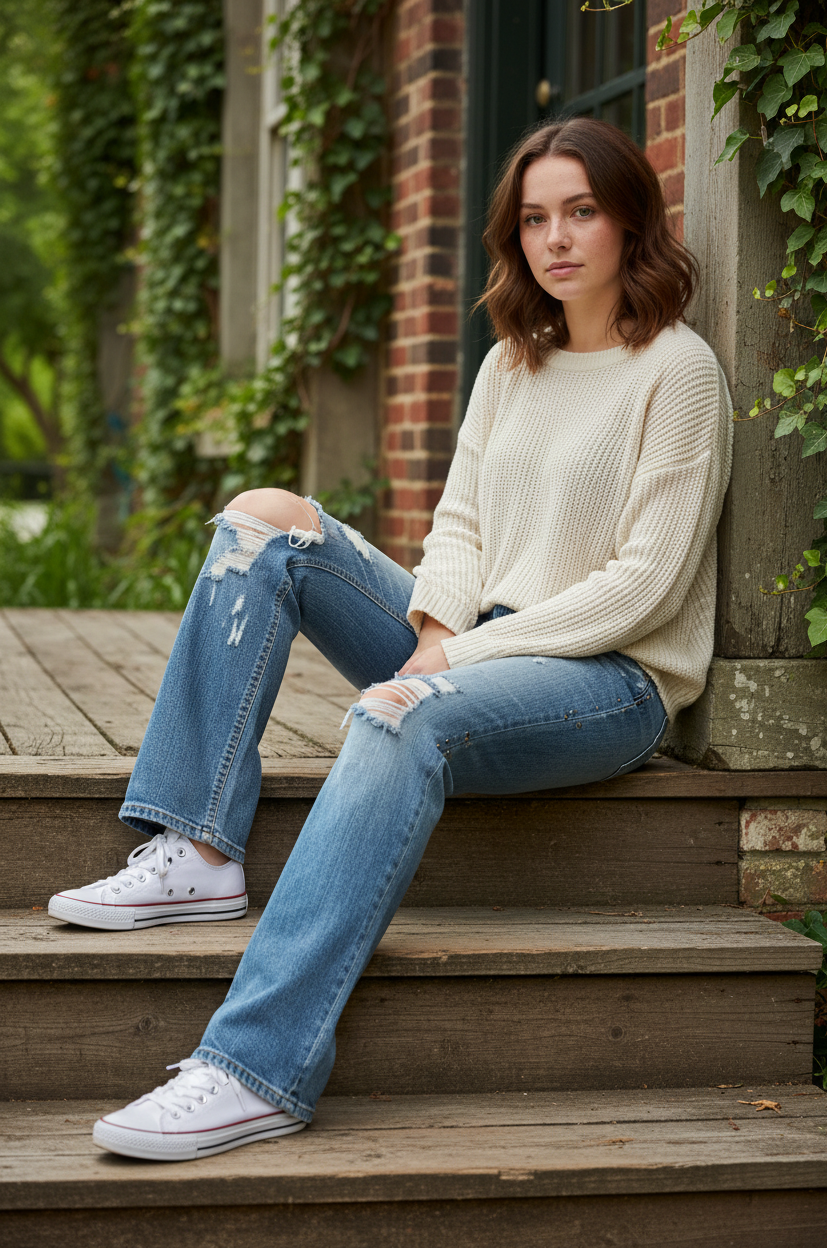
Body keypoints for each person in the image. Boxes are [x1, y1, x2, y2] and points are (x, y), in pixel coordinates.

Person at [48, 116, 733, 1162]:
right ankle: (194, 845)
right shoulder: (515, 362)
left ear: (631, 217)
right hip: (478, 647)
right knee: (263, 520)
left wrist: (446, 666)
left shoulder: (676, 372)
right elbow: (457, 525)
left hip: (608, 681)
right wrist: (434, 629)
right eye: (535, 218)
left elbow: (641, 588)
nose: (556, 239)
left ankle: (254, 1068)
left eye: (582, 212)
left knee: (394, 715)